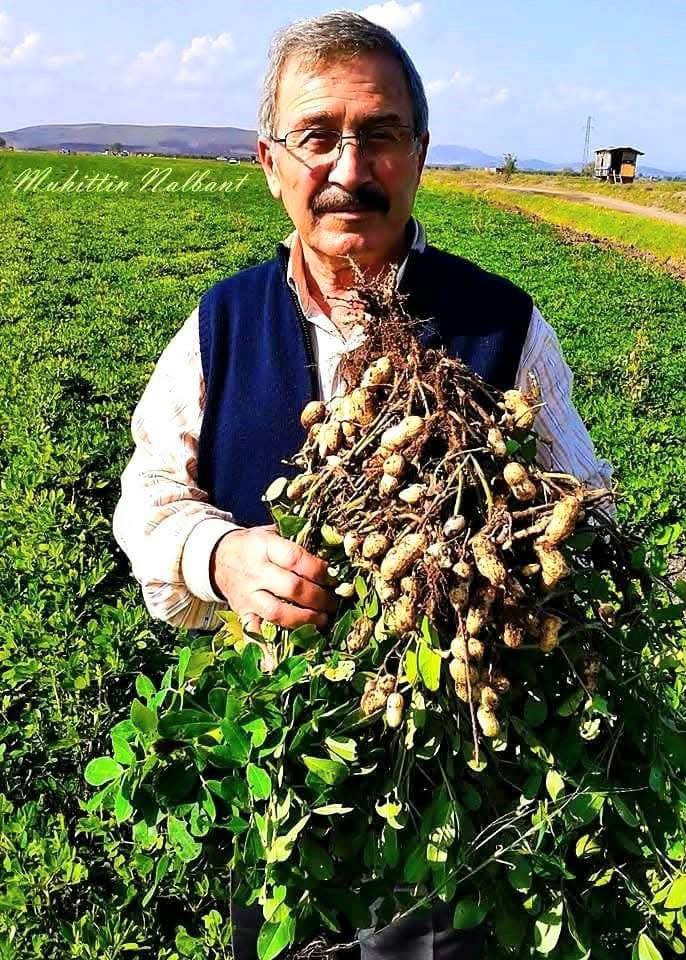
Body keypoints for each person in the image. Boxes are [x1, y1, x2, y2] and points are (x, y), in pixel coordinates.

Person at [113, 10, 612, 959]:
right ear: (271, 164)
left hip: (463, 807)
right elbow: (148, 492)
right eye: (318, 137)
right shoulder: (222, 322)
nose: (349, 168)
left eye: (379, 135)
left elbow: (584, 499)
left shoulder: (502, 325)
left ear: (418, 155)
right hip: (286, 770)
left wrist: (514, 556)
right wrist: (217, 555)